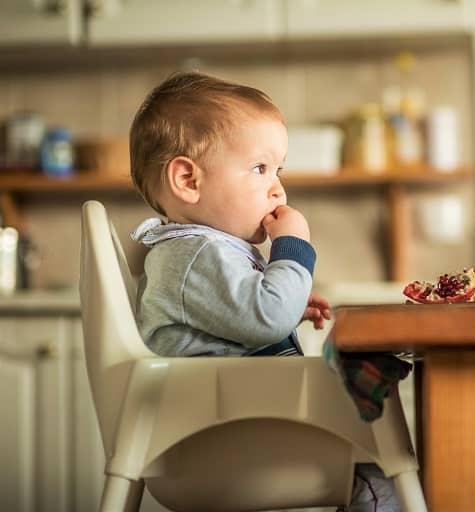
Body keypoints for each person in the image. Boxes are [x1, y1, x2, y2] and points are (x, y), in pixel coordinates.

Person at [128, 71, 400, 511]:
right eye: (260, 168)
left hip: (223, 431)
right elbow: (264, 318)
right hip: (220, 445)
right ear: (188, 180)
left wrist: (284, 304)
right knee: (382, 471)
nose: (278, 188)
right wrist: (293, 250)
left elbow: (243, 320)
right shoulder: (198, 252)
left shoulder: (197, 253)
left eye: (279, 170)